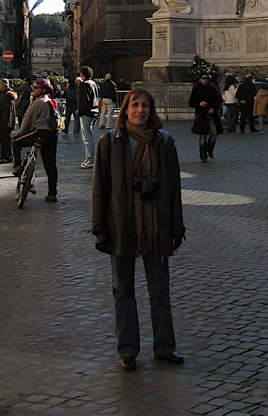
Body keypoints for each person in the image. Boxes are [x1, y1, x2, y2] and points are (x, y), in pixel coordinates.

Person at [91, 86, 185, 370]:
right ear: (126, 109)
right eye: (134, 105)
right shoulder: (109, 142)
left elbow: (174, 189)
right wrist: (99, 227)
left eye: (145, 105)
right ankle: (128, 351)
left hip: (156, 225)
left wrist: (176, 227)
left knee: (160, 291)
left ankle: (164, 347)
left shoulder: (164, 143)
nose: (140, 110)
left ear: (151, 110)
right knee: (123, 290)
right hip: (121, 224)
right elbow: (100, 188)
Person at [12, 77, 59, 202]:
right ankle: (52, 193)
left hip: (39, 133)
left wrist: (21, 133)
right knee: (50, 164)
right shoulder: (52, 101)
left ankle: (17, 167)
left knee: (15, 142)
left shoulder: (39, 102)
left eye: (36, 88)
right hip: (52, 135)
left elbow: (27, 118)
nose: (33, 90)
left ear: (43, 89)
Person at [189, 72, 222, 161]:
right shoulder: (196, 90)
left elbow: (217, 101)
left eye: (207, 78)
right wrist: (199, 104)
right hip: (201, 115)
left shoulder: (212, 90)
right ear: (200, 79)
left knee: (214, 133)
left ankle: (209, 149)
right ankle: (203, 156)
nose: (206, 80)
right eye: (204, 78)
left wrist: (213, 108)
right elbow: (191, 103)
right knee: (203, 136)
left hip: (211, 115)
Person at [77, 65, 100, 168]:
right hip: (94, 111)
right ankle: (90, 158)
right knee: (90, 135)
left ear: (82, 74)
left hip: (86, 112)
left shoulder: (84, 85)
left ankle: (90, 159)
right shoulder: (94, 84)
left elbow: (83, 100)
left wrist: (80, 112)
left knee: (87, 137)